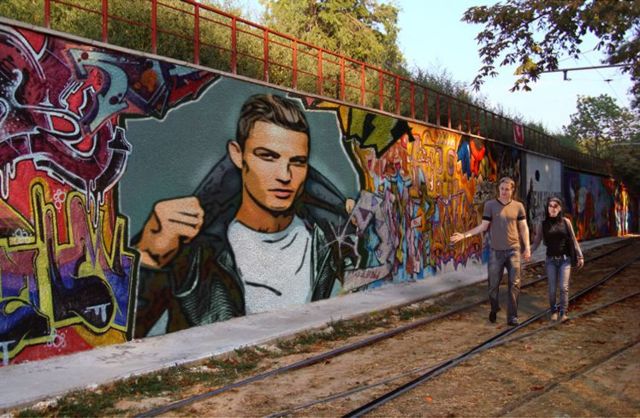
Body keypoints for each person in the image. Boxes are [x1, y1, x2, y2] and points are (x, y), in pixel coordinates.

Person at [133, 94, 354, 337]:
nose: (284, 175)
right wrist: (148, 258)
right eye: (267, 156)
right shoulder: (197, 247)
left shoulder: (325, 238)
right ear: (237, 155)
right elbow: (121, 338)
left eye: (298, 162)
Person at [450, 176, 531, 326]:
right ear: (498, 189)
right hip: (496, 252)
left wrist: (527, 247)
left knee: (515, 284)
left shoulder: (518, 206)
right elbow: (483, 226)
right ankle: (494, 308)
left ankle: (512, 317)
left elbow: (523, 227)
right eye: (502, 189)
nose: (504, 192)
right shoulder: (490, 205)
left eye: (507, 189)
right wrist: (464, 235)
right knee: (493, 286)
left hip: (513, 250)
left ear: (512, 190)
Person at [531, 196, 584, 322]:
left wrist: (580, 255)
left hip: (565, 260)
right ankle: (553, 311)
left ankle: (563, 312)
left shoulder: (566, 222)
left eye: (555, 206)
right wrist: (528, 251)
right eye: (550, 206)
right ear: (547, 208)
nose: (553, 208)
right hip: (550, 261)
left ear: (560, 208)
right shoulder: (543, 224)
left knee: (564, 287)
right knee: (552, 289)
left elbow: (573, 239)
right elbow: (536, 242)